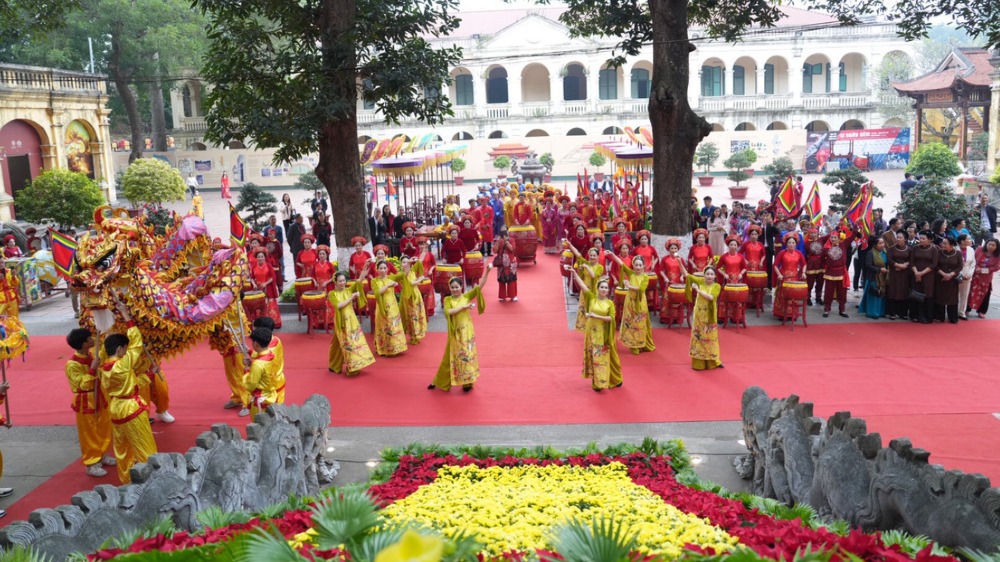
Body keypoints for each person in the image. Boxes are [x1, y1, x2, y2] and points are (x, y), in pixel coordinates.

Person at [101, 325, 157, 484]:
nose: (126, 352)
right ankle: (154, 480)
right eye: (125, 349)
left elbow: (128, 384)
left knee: (122, 450)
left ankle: (126, 482)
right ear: (120, 349)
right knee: (145, 445)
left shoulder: (104, 369)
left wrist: (149, 375)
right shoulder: (122, 364)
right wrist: (130, 323)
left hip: (116, 408)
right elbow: (137, 344)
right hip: (130, 408)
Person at [428, 264, 494, 392]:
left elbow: (480, 286)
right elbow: (449, 312)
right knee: (449, 359)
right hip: (454, 333)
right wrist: (462, 308)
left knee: (467, 356)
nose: (454, 289)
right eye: (452, 287)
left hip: (467, 332)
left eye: (456, 287)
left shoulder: (466, 296)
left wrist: (487, 271)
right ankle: (439, 381)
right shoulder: (447, 300)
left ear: (461, 287)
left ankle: (467, 383)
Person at [65, 328, 114, 477]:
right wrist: (92, 370)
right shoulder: (72, 364)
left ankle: (102, 453)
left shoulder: (92, 354)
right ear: (84, 344)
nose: (93, 339)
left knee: (103, 427)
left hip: (100, 396)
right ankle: (91, 462)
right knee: (89, 433)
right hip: (86, 401)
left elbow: (103, 352)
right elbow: (80, 385)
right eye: (89, 338)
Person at [568, 271, 621, 391]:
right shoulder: (591, 298)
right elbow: (582, 285)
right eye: (601, 287)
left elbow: (611, 318)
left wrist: (596, 316)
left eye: (606, 287)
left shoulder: (610, 303)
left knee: (600, 356)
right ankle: (596, 381)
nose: (604, 289)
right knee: (593, 355)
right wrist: (574, 272)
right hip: (591, 332)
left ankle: (601, 381)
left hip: (602, 333)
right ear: (597, 289)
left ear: (608, 290)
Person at [328, 271, 376, 376]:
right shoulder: (332, 294)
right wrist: (350, 298)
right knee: (341, 343)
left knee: (351, 342)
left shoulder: (349, 290)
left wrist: (365, 268)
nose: (342, 282)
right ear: (335, 282)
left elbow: (358, 281)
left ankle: (353, 366)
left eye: (344, 280)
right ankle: (334, 365)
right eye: (340, 281)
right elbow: (338, 306)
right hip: (341, 321)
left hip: (352, 320)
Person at [606, 253, 655, 355]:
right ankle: (633, 345)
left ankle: (641, 344)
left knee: (639, 323)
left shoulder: (645, 277)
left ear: (643, 266)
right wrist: (612, 255)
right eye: (636, 265)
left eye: (640, 265)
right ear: (633, 266)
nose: (638, 267)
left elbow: (641, 289)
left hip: (640, 302)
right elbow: (621, 264)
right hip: (630, 302)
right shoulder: (631, 274)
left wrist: (629, 286)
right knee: (631, 322)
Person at [370, 260, 408, 357]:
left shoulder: (391, 277)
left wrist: (408, 264)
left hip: (392, 306)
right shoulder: (374, 281)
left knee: (393, 325)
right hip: (381, 307)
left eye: (384, 268)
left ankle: (395, 347)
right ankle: (383, 348)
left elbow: (404, 274)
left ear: (387, 269)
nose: (383, 270)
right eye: (381, 268)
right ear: (377, 269)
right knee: (383, 326)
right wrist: (388, 285)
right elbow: (378, 293)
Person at [689, 265, 723, 371]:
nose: (709, 276)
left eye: (711, 274)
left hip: (709, 316)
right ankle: (699, 362)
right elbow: (687, 275)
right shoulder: (700, 283)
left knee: (709, 338)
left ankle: (712, 361)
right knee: (699, 336)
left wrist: (698, 290)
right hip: (699, 315)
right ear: (704, 276)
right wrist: (679, 261)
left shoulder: (717, 286)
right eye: (707, 274)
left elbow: (711, 297)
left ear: (715, 276)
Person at [772, 232, 806, 320]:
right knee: (783, 296)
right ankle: (782, 314)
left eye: (793, 243)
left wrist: (803, 272)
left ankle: (792, 313)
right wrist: (779, 274)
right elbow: (775, 265)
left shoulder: (799, 253)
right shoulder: (782, 253)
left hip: (794, 279)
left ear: (796, 244)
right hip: (784, 278)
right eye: (789, 243)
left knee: (793, 296)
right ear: (786, 244)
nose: (791, 244)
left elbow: (804, 264)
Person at [821, 230, 854, 318]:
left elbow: (852, 236)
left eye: (835, 237)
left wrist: (855, 226)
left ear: (839, 238)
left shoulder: (843, 245)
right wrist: (826, 266)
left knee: (842, 293)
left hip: (841, 273)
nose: (833, 239)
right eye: (831, 237)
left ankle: (842, 310)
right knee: (828, 292)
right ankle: (827, 309)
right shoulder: (826, 248)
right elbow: (822, 259)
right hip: (830, 273)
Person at [910, 231, 939, 324]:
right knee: (916, 294)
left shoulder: (934, 249)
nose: (921, 240)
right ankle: (915, 315)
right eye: (920, 238)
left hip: (928, 275)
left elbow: (934, 264)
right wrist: (916, 273)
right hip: (916, 274)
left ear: (930, 239)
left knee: (927, 295)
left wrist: (922, 273)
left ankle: (926, 316)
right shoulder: (915, 248)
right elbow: (912, 262)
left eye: (923, 239)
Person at [398, 257, 428, 346]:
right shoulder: (401, 274)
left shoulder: (412, 271)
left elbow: (419, 262)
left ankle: (417, 334)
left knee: (417, 314)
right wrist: (420, 279)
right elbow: (411, 283)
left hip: (416, 295)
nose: (406, 264)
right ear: (401, 264)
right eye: (404, 262)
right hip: (408, 297)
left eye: (407, 262)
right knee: (411, 316)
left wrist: (424, 249)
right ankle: (413, 335)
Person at [967, 239, 1000, 318]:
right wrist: (976, 268)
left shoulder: (998, 255)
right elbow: (973, 260)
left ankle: (981, 311)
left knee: (985, 294)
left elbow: (996, 267)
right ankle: (967, 309)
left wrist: (983, 270)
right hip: (974, 275)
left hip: (986, 278)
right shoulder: (979, 249)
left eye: (993, 245)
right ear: (986, 244)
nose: (990, 246)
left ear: (997, 247)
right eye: (989, 244)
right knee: (970, 292)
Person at [251, 249, 282, 328]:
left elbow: (273, 277)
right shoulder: (254, 266)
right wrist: (254, 284)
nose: (260, 258)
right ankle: (261, 323)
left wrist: (266, 283)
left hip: (268, 288)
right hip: (259, 289)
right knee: (260, 307)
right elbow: (252, 277)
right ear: (256, 258)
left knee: (270, 305)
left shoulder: (268, 265)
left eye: (262, 257)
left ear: (264, 257)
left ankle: (274, 322)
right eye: (259, 257)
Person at [858, 237, 888, 319]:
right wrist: (879, 269)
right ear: (875, 245)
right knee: (874, 294)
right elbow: (868, 265)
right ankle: (872, 312)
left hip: (883, 276)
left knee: (882, 294)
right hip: (873, 277)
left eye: (883, 243)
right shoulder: (870, 253)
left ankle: (881, 312)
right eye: (880, 243)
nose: (882, 245)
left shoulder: (885, 252)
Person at [934, 236, 961, 324]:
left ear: (952, 245)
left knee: (952, 298)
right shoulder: (939, 252)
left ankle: (952, 317)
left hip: (952, 280)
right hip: (940, 278)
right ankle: (939, 316)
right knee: (939, 297)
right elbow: (936, 265)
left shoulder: (958, 253)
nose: (942, 245)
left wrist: (951, 274)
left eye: (945, 244)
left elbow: (960, 266)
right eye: (942, 243)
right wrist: (943, 274)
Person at [886, 231, 912, 320]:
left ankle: (903, 313)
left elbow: (911, 260)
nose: (898, 239)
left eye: (900, 238)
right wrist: (897, 265)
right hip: (894, 272)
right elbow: (889, 260)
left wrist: (904, 265)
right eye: (897, 237)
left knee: (904, 291)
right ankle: (892, 312)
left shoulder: (909, 249)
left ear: (905, 239)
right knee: (893, 291)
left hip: (905, 273)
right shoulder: (891, 248)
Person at [493, 228, 518, 302]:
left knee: (512, 279)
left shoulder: (511, 240)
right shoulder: (498, 241)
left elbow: (512, 249)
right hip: (501, 263)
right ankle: (502, 296)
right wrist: (498, 242)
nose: (504, 233)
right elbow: (495, 251)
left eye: (505, 231)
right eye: (502, 231)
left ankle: (513, 295)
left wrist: (506, 241)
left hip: (510, 262)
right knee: (502, 279)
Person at [957, 234, 976, 320]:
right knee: (955, 294)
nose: (971, 240)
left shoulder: (971, 250)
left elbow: (973, 263)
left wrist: (969, 274)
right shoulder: (955, 249)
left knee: (965, 294)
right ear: (962, 241)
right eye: (968, 239)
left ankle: (962, 312)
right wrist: (961, 273)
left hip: (968, 274)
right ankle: (953, 311)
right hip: (957, 274)